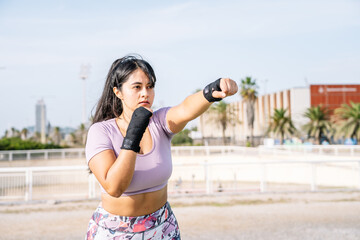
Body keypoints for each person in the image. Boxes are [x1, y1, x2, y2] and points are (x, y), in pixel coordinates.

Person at [85, 55, 238, 239]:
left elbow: (185, 110)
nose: (145, 93)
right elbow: (114, 187)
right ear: (118, 92)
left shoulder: (159, 122)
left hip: (162, 226)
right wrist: (134, 131)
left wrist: (212, 90)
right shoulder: (101, 131)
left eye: (150, 86)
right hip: (115, 230)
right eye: (137, 87)